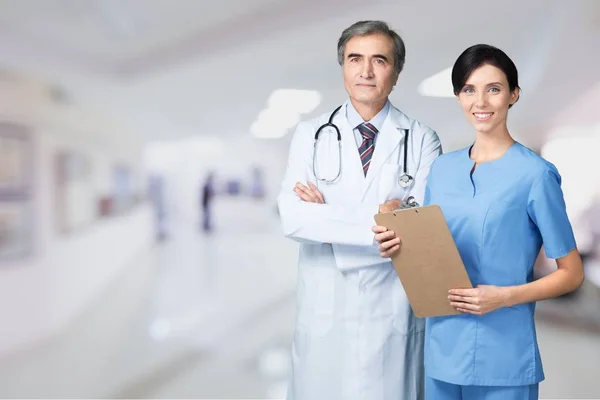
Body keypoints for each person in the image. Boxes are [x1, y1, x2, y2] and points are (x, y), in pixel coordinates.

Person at [373, 44, 584, 400]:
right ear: (458, 97)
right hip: (442, 349)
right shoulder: (442, 169)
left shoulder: (535, 175)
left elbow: (572, 272)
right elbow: (431, 246)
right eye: (469, 89)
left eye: (494, 89)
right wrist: (396, 234)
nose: (481, 102)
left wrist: (504, 297)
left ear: (513, 95)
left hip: (504, 355)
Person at [277, 20, 442, 400]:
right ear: (343, 67)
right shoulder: (310, 134)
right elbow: (294, 217)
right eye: (355, 59)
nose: (365, 71)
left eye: (379, 60)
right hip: (325, 306)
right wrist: (381, 224)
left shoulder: (421, 139)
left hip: (393, 308)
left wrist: (328, 217)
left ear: (396, 72)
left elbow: (423, 228)